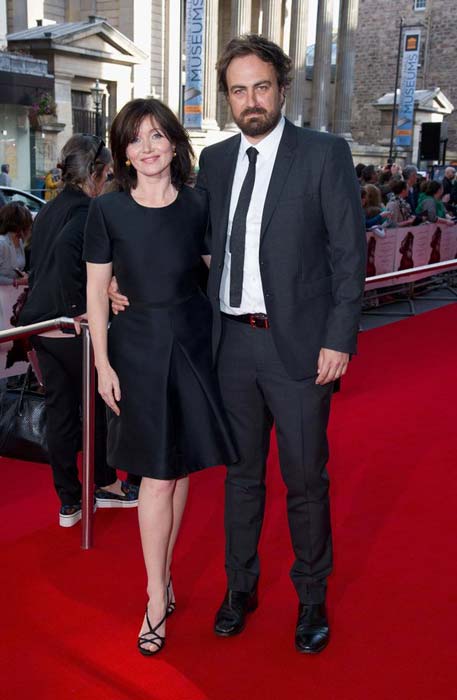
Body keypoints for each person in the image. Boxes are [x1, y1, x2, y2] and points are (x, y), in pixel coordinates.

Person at [111, 35, 366, 654]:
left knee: (306, 479)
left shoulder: (324, 154)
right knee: (242, 478)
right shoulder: (217, 162)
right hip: (228, 344)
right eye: (237, 89)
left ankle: (310, 597)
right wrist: (126, 282)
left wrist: (340, 339)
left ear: (281, 86)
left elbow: (347, 256)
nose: (250, 100)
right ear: (226, 97)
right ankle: (240, 588)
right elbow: (177, 238)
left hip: (302, 348)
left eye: (261, 86)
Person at [84, 98, 237, 657]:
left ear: (174, 141)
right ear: (123, 151)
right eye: (134, 139)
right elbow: (97, 292)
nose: (147, 148)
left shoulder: (199, 204)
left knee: (180, 467)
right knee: (154, 474)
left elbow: (217, 270)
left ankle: (164, 577)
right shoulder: (108, 211)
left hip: (193, 343)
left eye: (156, 136)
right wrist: (102, 363)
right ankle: (155, 594)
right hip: (138, 349)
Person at [19, 134, 139, 527]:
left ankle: (68, 500)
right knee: (103, 404)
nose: (106, 180)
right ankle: (104, 484)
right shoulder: (92, 209)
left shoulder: (49, 209)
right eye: (105, 173)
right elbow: (87, 265)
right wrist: (94, 298)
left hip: (40, 327)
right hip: (71, 326)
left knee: (62, 413)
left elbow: (44, 262)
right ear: (95, 173)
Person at [0, 202, 32, 286]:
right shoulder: (2, 243)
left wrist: (23, 275)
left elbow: (16, 269)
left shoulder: (20, 241)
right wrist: (18, 282)